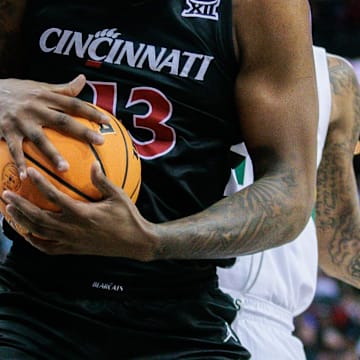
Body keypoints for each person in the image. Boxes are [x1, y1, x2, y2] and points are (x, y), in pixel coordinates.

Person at [0, 1, 318, 358]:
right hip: (33, 300)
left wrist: (152, 241)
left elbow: (290, 191)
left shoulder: (260, 8)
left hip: (178, 316)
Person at [218, 47, 360, 359]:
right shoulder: (165, 44)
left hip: (272, 328)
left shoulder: (334, 77)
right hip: (172, 300)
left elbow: (341, 248)